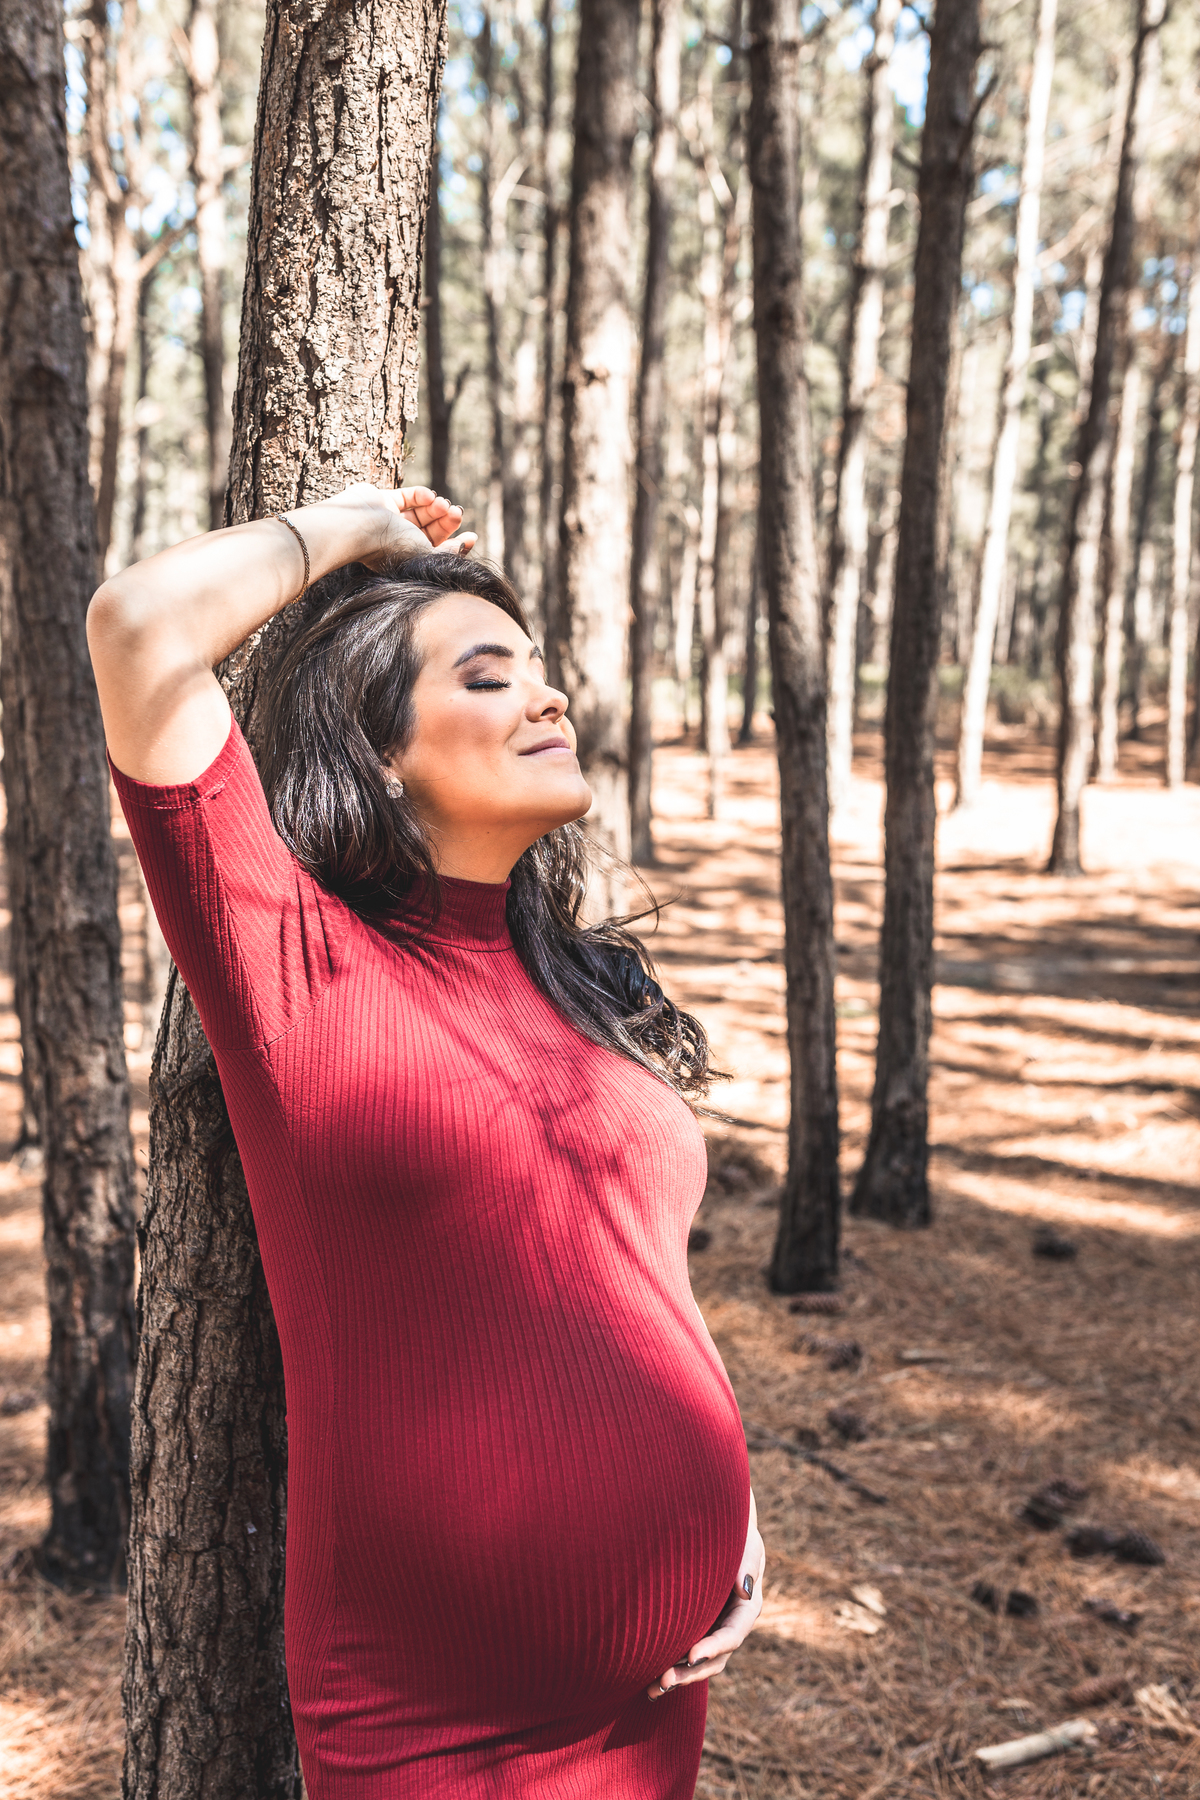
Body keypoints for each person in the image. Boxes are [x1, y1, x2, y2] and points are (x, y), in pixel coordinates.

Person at [88, 484, 765, 1800]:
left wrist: (727, 1501)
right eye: (489, 672)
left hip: (655, 1694)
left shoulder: (579, 987)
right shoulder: (295, 965)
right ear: (381, 749)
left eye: (545, 672)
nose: (548, 697)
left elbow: (633, 1277)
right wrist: (356, 527)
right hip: (440, 1727)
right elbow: (139, 628)